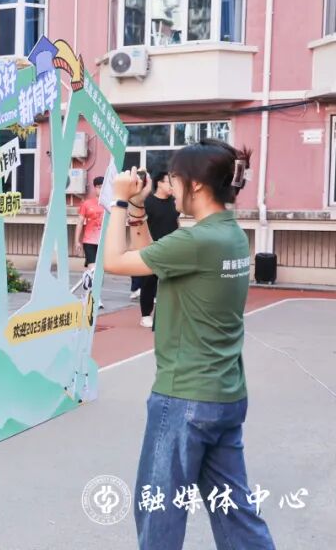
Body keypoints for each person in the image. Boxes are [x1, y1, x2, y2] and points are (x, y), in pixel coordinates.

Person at [103, 139, 275, 550]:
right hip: (224, 395)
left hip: (185, 398)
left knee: (158, 513)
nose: (172, 186)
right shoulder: (228, 235)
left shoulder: (197, 241)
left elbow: (114, 262)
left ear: (195, 185)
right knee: (236, 516)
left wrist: (119, 202)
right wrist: (140, 210)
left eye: (176, 179)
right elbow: (152, 258)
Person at [137, 171, 180, 329]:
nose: (172, 186)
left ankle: (169, 315)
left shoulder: (174, 202)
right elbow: (140, 224)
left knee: (172, 282)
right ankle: (145, 315)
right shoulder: (148, 203)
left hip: (172, 248)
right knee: (149, 282)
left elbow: (176, 222)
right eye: (169, 182)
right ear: (159, 183)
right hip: (153, 248)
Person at [74, 176, 105, 269]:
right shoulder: (86, 204)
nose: (101, 190)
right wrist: (76, 241)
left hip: (105, 241)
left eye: (103, 187)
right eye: (99, 187)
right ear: (95, 188)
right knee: (92, 269)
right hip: (89, 241)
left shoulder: (110, 204)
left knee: (101, 269)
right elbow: (80, 222)